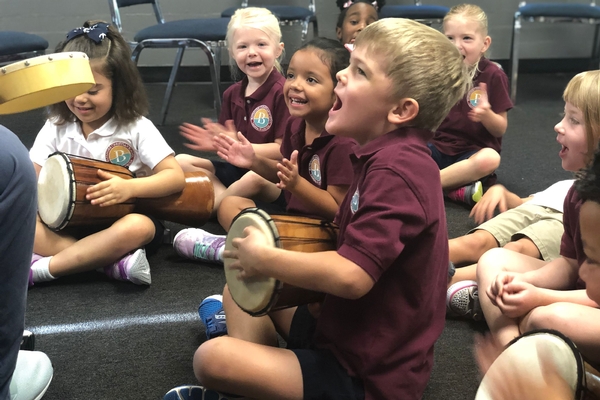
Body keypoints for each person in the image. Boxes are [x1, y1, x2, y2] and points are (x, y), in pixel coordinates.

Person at [164, 18, 469, 400]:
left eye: (359, 71)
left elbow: (353, 276)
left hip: (367, 371)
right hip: (340, 325)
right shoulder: (377, 154)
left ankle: (259, 380)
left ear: (401, 110)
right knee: (239, 292)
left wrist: (266, 258)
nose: (341, 74)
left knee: (212, 359)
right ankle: (264, 379)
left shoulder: (399, 170)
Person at [28, 21, 185, 286]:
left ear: (119, 87)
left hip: (119, 222)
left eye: (93, 90)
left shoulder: (135, 126)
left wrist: (130, 188)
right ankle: (108, 263)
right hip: (67, 227)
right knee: (17, 219)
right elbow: (33, 174)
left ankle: (44, 269)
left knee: (140, 227)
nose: (80, 99)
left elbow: (175, 176)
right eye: (72, 88)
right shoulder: (57, 124)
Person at [174, 38, 355, 266]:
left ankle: (242, 251)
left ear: (337, 91)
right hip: (294, 212)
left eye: (311, 79)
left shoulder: (343, 142)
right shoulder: (296, 125)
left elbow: (337, 210)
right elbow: (279, 173)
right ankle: (250, 251)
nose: (295, 85)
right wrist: (253, 161)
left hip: (324, 232)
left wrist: (296, 184)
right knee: (230, 205)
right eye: (291, 75)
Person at [476, 70, 600, 365]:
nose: (558, 126)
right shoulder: (576, 194)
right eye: (563, 115)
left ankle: (523, 351)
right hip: (584, 295)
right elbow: (571, 265)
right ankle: (512, 352)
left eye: (573, 119)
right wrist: (523, 283)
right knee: (493, 261)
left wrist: (540, 296)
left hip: (588, 303)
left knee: (543, 317)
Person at [175, 7, 290, 213]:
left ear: (278, 49)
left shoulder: (283, 92)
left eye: (261, 44)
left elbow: (283, 150)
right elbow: (227, 146)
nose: (252, 52)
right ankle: (224, 201)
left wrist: (243, 148)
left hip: (270, 175)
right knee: (181, 161)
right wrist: (221, 143)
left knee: (253, 179)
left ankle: (210, 210)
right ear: (232, 53)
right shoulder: (231, 93)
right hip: (237, 170)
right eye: (243, 46)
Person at [446, 179, 574, 320]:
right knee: (475, 241)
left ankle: (436, 284)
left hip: (568, 219)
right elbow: (521, 202)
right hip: (533, 207)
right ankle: (420, 258)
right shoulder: (568, 182)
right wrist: (502, 191)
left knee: (516, 249)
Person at [430, 4, 512, 207]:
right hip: (437, 147)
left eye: (466, 38)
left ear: (484, 44)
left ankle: (426, 185)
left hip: (472, 153)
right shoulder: (438, 71)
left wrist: (486, 115)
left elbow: (500, 127)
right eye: (450, 38)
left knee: (490, 159)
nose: (457, 45)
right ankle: (454, 190)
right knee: (404, 149)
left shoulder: (493, 75)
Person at [0, 125, 53, 399]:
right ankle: (47, 268)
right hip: (53, 228)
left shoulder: (137, 128)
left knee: (138, 227)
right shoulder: (8, 150)